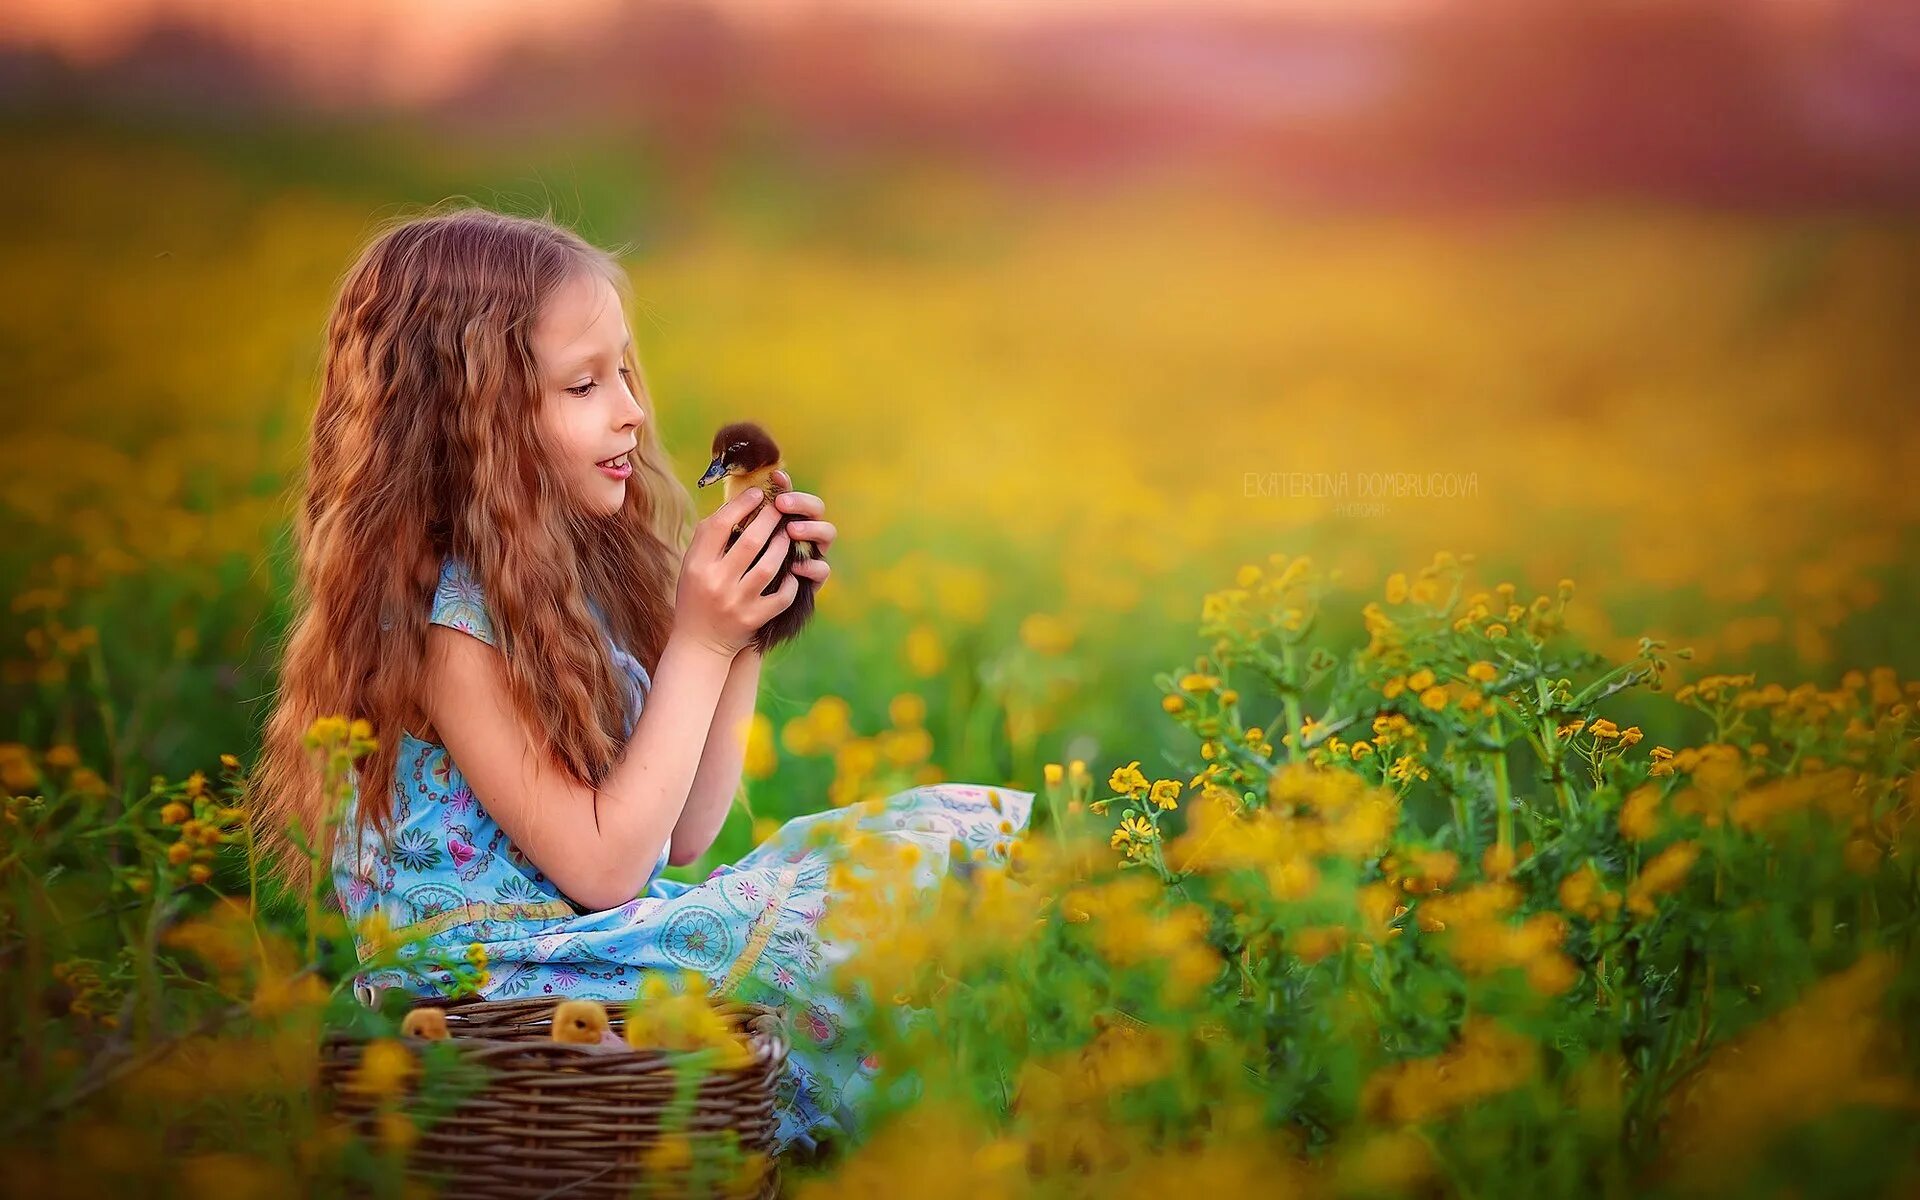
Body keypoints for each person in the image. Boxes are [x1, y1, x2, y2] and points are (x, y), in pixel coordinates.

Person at [249, 205, 1035, 1154]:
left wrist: (744, 634)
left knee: (931, 842)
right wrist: (696, 646)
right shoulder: (445, 630)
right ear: (471, 423)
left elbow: (682, 833)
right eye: (583, 384)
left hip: (593, 955)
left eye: (623, 370)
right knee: (904, 874)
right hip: (505, 993)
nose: (630, 407)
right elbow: (608, 866)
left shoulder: (553, 590)